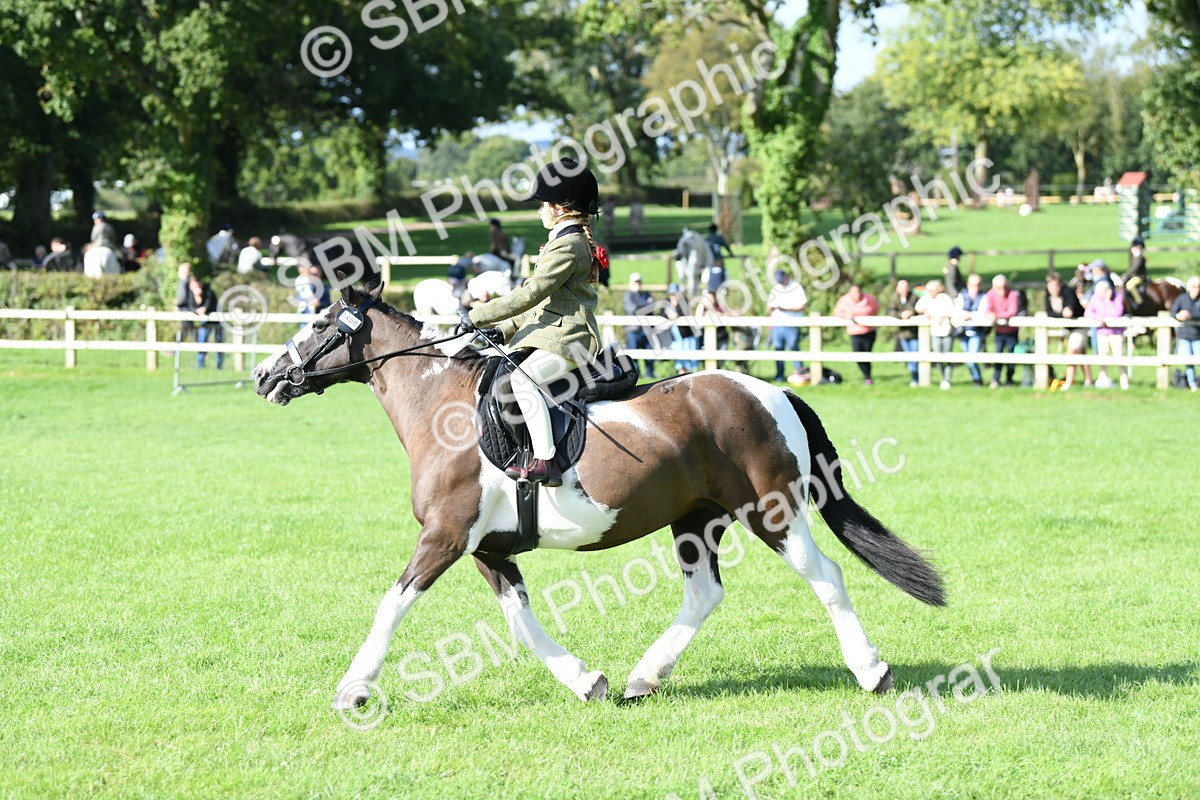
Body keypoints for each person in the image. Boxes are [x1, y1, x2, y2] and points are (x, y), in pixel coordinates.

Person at [462, 158, 604, 486]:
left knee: (523, 381)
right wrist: (504, 328)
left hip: (571, 338)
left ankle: (546, 461)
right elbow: (542, 305)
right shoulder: (562, 240)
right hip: (554, 332)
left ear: (559, 207)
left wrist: (476, 314)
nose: (539, 210)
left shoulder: (567, 245)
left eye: (542, 204)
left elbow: (529, 294)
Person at [1044, 274, 1090, 390]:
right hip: (1068, 328)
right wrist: (1061, 315)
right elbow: (1049, 312)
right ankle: (1088, 380)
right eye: (1050, 286)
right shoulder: (1048, 295)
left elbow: (1070, 310)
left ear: (1060, 285)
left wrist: (1066, 312)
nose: (1053, 289)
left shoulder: (1068, 292)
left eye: (1055, 286)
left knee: (1072, 350)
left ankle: (1069, 381)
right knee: (1081, 353)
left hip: (1080, 325)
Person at [1085, 280, 1129, 390]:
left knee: (1119, 356)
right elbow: (1088, 312)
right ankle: (1103, 380)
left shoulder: (1117, 297)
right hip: (1102, 332)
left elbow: (1117, 313)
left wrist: (1108, 301)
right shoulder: (1095, 298)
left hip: (1116, 332)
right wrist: (1097, 318)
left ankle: (1124, 382)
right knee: (1103, 356)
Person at [834, 284, 881, 384]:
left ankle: (867, 377)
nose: (856, 294)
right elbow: (837, 312)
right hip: (855, 332)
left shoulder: (869, 299)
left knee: (866, 354)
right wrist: (846, 316)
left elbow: (877, 308)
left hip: (869, 331)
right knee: (857, 354)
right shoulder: (845, 300)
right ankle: (867, 376)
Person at [767, 268, 807, 383]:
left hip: (792, 323)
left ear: (786, 276)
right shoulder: (776, 288)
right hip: (777, 324)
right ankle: (779, 375)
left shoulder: (796, 287)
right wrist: (771, 317)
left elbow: (802, 306)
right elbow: (770, 306)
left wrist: (785, 309)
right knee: (778, 349)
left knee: (794, 348)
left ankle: (800, 374)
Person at [916, 279, 955, 389]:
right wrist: (925, 311)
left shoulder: (944, 298)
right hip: (934, 331)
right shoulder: (926, 298)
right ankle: (943, 377)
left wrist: (941, 316)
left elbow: (951, 311)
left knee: (947, 355)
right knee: (937, 356)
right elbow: (918, 307)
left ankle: (947, 379)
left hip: (946, 330)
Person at [984, 274, 1020, 388]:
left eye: (1003, 287)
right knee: (998, 354)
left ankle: (1009, 378)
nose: (1002, 290)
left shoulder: (1012, 294)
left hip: (1012, 331)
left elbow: (1012, 311)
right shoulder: (990, 295)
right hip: (999, 331)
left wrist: (997, 316)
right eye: (999, 288)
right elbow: (988, 310)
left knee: (1011, 355)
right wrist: (991, 315)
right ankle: (996, 378)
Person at [182, 274, 224, 369]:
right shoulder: (190, 293)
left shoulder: (208, 291)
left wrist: (204, 307)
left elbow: (209, 305)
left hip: (215, 319)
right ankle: (200, 364)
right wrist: (197, 298)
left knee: (219, 341)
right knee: (202, 341)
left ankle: (219, 365)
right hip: (205, 321)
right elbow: (191, 306)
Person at [955, 273, 988, 386]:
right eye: (973, 284)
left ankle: (977, 379)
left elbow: (982, 313)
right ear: (968, 285)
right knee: (967, 358)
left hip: (976, 331)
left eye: (978, 284)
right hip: (963, 331)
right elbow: (957, 311)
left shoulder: (984, 296)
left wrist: (969, 315)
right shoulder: (962, 295)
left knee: (971, 357)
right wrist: (971, 315)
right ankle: (976, 378)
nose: (975, 287)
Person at [622, 273, 657, 377]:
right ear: (630, 283)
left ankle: (649, 375)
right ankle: (636, 375)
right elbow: (632, 308)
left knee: (649, 353)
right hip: (633, 330)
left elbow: (653, 306)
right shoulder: (628, 296)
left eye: (639, 282)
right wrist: (647, 304)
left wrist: (645, 306)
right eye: (635, 282)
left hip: (646, 329)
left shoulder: (645, 294)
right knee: (633, 355)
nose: (637, 284)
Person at [1170, 275, 1200, 391]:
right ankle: (1192, 384)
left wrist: (1190, 316)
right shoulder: (1181, 298)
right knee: (1188, 361)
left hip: (1198, 335)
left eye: (1198, 286)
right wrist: (1178, 315)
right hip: (1184, 335)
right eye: (1194, 286)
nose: (1196, 289)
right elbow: (1173, 312)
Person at [888, 279, 920, 386]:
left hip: (915, 333)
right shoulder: (894, 298)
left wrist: (910, 312)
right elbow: (891, 311)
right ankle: (915, 377)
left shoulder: (914, 297)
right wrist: (901, 315)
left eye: (906, 287)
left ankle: (917, 378)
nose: (904, 289)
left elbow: (914, 308)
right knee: (909, 357)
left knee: (915, 356)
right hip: (902, 333)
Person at [665, 282, 699, 375]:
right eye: (672, 294)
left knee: (689, 358)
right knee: (680, 359)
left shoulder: (684, 302)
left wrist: (676, 315)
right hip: (675, 336)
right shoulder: (667, 302)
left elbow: (685, 313)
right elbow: (662, 314)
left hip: (685, 334)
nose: (674, 296)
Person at [1122, 236, 1148, 310]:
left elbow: (1134, 268)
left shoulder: (1139, 257)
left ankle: (1139, 300)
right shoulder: (1133, 256)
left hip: (1139, 277)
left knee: (1130, 285)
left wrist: (1126, 275)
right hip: (1133, 276)